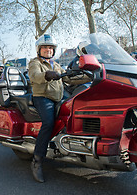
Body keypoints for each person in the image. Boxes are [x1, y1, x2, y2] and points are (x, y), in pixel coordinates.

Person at [28, 34, 90, 183]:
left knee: (75, 111)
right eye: (45, 47)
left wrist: (89, 76)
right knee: (48, 123)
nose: (48, 50)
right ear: (39, 49)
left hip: (58, 98)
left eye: (51, 48)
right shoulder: (34, 63)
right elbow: (35, 76)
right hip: (42, 97)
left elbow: (67, 78)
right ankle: (37, 160)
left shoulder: (56, 65)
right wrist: (47, 75)